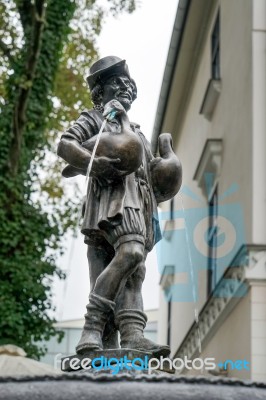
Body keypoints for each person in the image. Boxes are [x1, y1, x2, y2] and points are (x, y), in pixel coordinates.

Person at [57, 56, 182, 357]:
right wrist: (90, 162)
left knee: (132, 270)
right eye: (117, 82)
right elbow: (65, 144)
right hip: (111, 201)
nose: (125, 87)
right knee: (131, 253)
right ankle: (92, 325)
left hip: (138, 203)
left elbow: (149, 172)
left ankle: (123, 336)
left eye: (129, 84)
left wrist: (166, 169)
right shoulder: (95, 119)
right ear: (100, 92)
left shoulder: (136, 131)